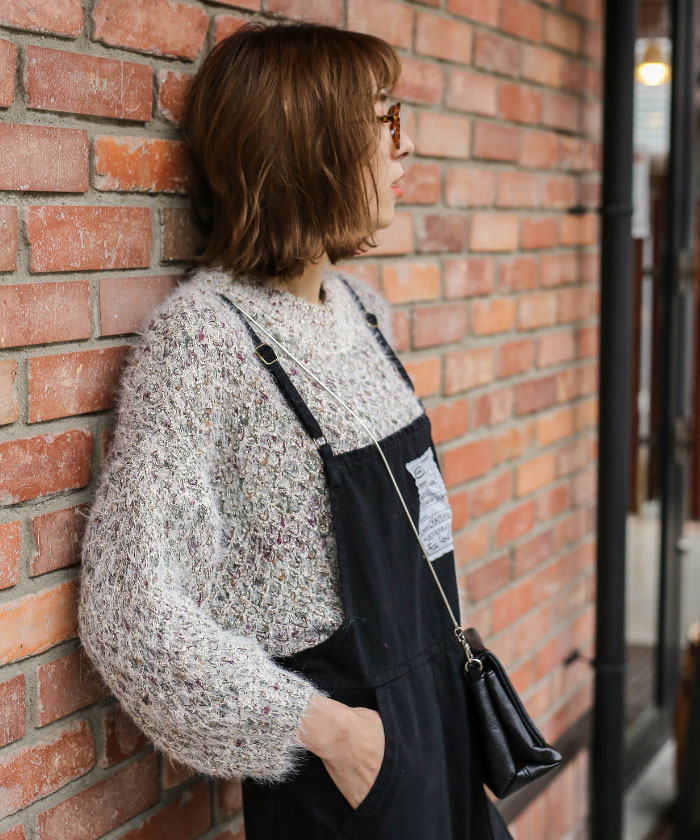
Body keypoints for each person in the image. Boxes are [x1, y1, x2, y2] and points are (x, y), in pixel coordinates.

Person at [78, 20, 513, 839]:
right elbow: (129, 611)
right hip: (350, 785)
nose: (405, 144)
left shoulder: (363, 312)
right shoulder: (207, 340)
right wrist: (332, 734)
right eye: (384, 120)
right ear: (312, 146)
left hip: (440, 728)